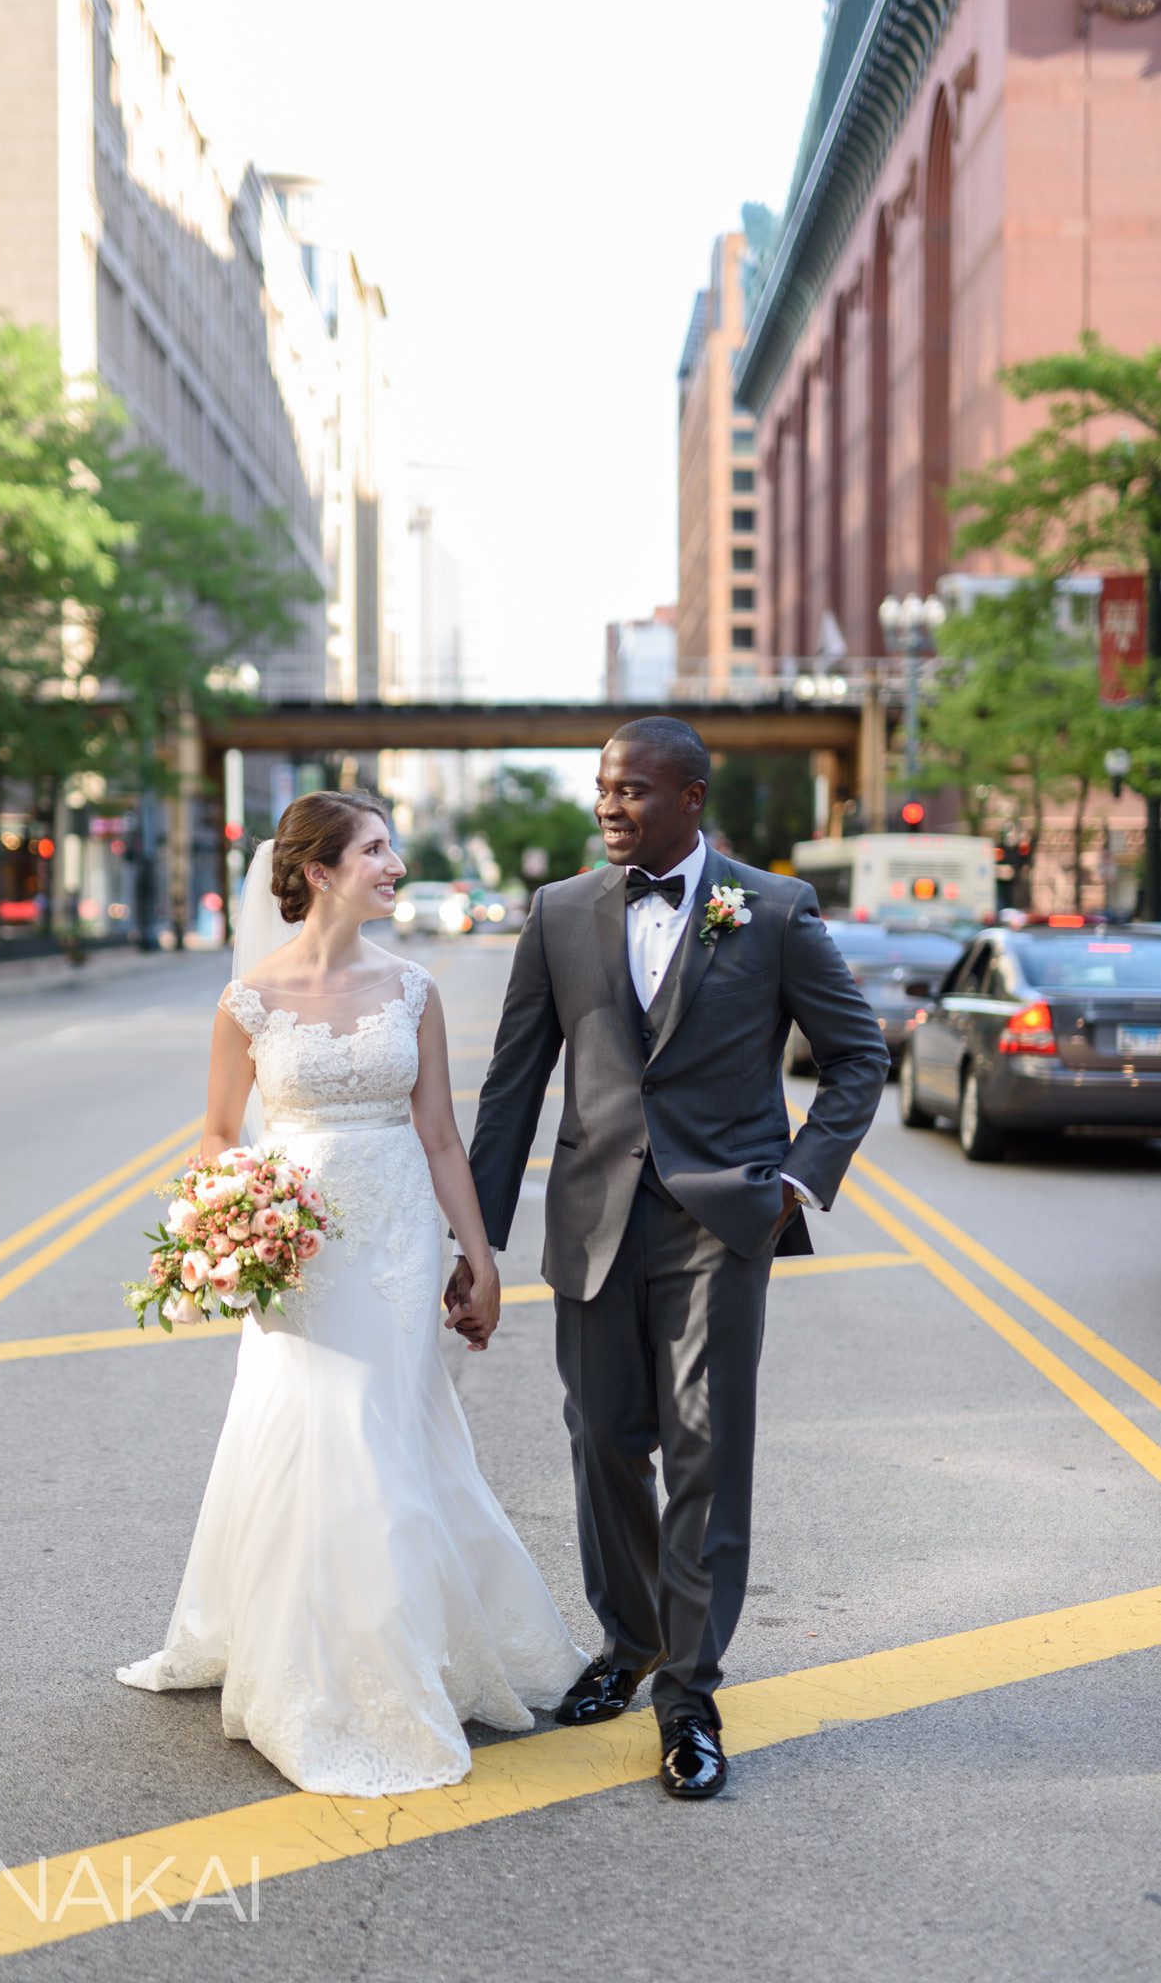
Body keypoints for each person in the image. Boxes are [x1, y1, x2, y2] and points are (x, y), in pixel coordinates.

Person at [445, 717, 889, 1799]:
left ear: (690, 797)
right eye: (602, 787)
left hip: (716, 1223)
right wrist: (475, 1242)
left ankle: (687, 1694)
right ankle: (631, 1634)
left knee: (700, 1448)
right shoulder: (557, 913)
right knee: (602, 1439)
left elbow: (854, 1057)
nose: (609, 805)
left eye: (633, 790)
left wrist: (792, 1180)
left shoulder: (772, 909)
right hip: (591, 1218)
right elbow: (510, 1087)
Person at [117, 790, 585, 1797]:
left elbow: (440, 1136)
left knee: (384, 1426)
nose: (394, 862)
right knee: (307, 1429)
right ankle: (310, 1660)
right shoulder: (245, 999)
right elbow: (216, 1130)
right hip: (292, 1243)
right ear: (319, 869)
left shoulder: (410, 988)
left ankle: (399, 1654)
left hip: (394, 1236)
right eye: (375, 848)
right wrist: (228, 1210)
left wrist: (480, 1253)